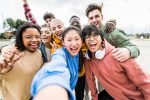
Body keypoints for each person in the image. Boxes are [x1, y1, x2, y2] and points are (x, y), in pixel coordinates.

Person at [82, 24, 150, 100]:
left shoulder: (119, 54)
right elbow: (90, 80)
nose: (91, 39)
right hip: (114, 95)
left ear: (102, 38)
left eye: (95, 35)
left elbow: (145, 82)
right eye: (87, 37)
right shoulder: (88, 60)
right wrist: (94, 97)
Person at [31, 26, 83, 100]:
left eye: (77, 39)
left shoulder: (79, 52)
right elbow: (57, 65)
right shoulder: (60, 53)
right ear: (63, 43)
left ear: (82, 40)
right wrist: (52, 86)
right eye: (69, 40)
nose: (74, 44)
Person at [0, 22, 43, 100]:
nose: (34, 40)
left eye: (37, 36)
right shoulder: (10, 55)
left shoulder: (38, 52)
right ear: (20, 38)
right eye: (28, 37)